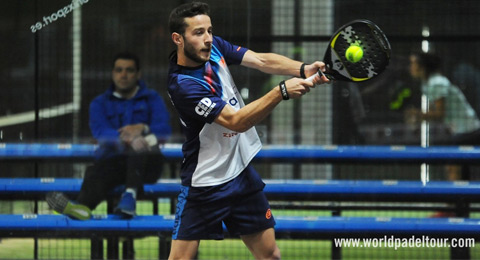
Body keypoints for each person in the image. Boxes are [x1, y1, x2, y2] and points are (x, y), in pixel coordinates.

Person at [166, 2, 329, 259]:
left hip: (241, 174)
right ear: (178, 38)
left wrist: (302, 68)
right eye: (198, 33)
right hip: (205, 183)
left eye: (209, 30)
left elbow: (261, 60)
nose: (207, 38)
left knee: (270, 255)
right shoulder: (184, 85)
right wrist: (281, 91)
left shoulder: (215, 47)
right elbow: (237, 121)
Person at [46, 52, 172, 220]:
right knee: (97, 171)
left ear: (138, 74)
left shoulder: (152, 99)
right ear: (113, 74)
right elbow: (100, 132)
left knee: (141, 146)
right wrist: (128, 138)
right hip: (115, 163)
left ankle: (128, 196)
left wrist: (142, 127)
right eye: (119, 70)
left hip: (148, 164)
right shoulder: (99, 103)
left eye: (129, 70)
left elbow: (164, 129)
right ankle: (83, 207)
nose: (124, 75)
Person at [405, 52, 480, 217]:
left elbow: (439, 113)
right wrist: (419, 117)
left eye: (413, 63)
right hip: (462, 130)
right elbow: (439, 113)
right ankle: (459, 211)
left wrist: (418, 115)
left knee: (453, 168)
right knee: (459, 172)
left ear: (422, 67)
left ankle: (451, 208)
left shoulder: (437, 83)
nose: (410, 67)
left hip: (468, 130)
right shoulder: (429, 84)